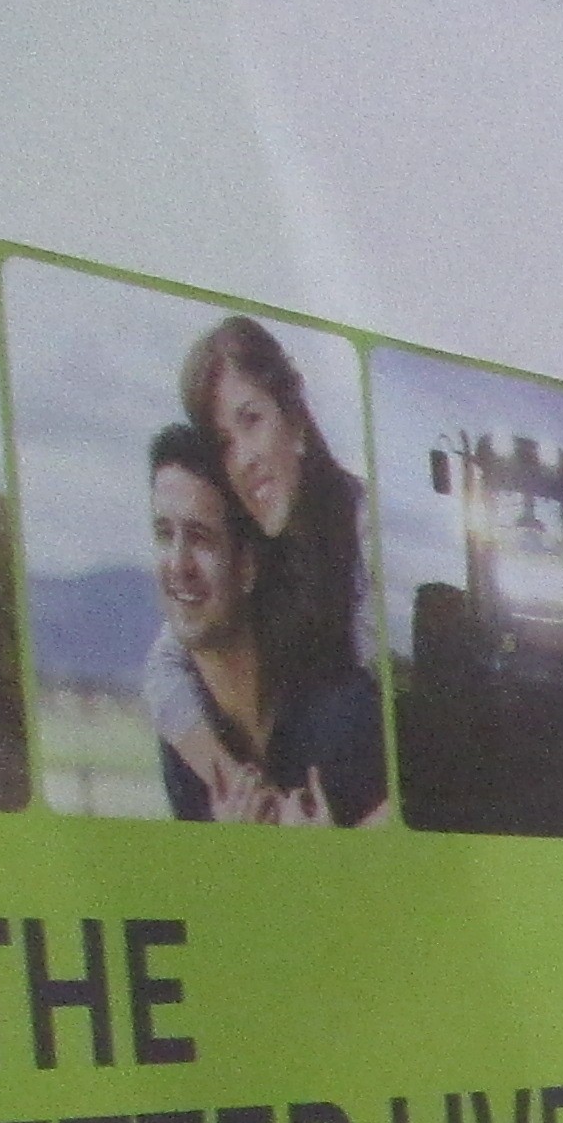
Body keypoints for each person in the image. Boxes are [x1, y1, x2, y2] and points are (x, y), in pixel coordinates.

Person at [145, 314, 385, 827]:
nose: (244, 459)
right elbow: (164, 667)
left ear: (294, 417)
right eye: (224, 442)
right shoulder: (258, 545)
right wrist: (241, 790)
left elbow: (420, 746)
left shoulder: (368, 531)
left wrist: (350, 843)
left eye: (251, 420)